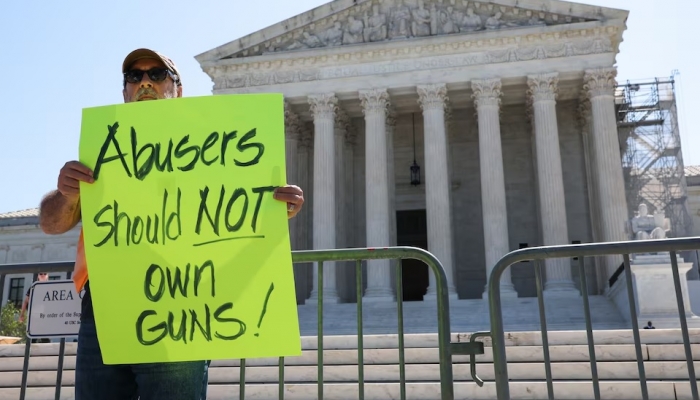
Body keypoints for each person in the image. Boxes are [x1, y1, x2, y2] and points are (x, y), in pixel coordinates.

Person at [38, 48, 305, 400]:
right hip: (105, 309)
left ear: (178, 89)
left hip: (183, 307)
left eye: (158, 74)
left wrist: (270, 210)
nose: (145, 81)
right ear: (124, 93)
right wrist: (67, 193)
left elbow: (235, 221)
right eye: (134, 77)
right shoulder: (102, 149)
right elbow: (50, 223)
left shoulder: (215, 148)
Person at [19, 272, 52, 343]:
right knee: (33, 335)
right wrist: (22, 315)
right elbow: (26, 301)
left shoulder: (50, 287)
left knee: (45, 335)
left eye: (45, 274)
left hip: (46, 315)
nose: (43, 275)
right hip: (35, 314)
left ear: (47, 276)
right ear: (38, 276)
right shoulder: (34, 287)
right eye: (41, 274)